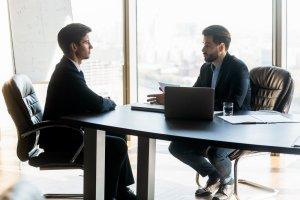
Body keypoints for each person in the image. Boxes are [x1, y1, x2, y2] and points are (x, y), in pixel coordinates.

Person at [147, 25, 251, 200]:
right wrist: (171, 97)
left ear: (221, 46)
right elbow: (193, 96)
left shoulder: (238, 68)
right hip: (211, 126)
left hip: (235, 129)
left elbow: (235, 104)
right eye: (203, 44)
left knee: (215, 152)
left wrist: (200, 103)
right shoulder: (206, 68)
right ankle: (214, 175)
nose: (203, 49)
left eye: (208, 45)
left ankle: (228, 182)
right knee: (177, 147)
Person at [40, 23, 136, 200]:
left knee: (118, 133)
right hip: (61, 138)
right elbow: (97, 104)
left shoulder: (69, 68)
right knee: (117, 145)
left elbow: (85, 100)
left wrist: (101, 102)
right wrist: (110, 102)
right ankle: (109, 196)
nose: (91, 46)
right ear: (74, 46)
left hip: (65, 131)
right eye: (86, 42)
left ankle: (121, 191)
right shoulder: (67, 72)